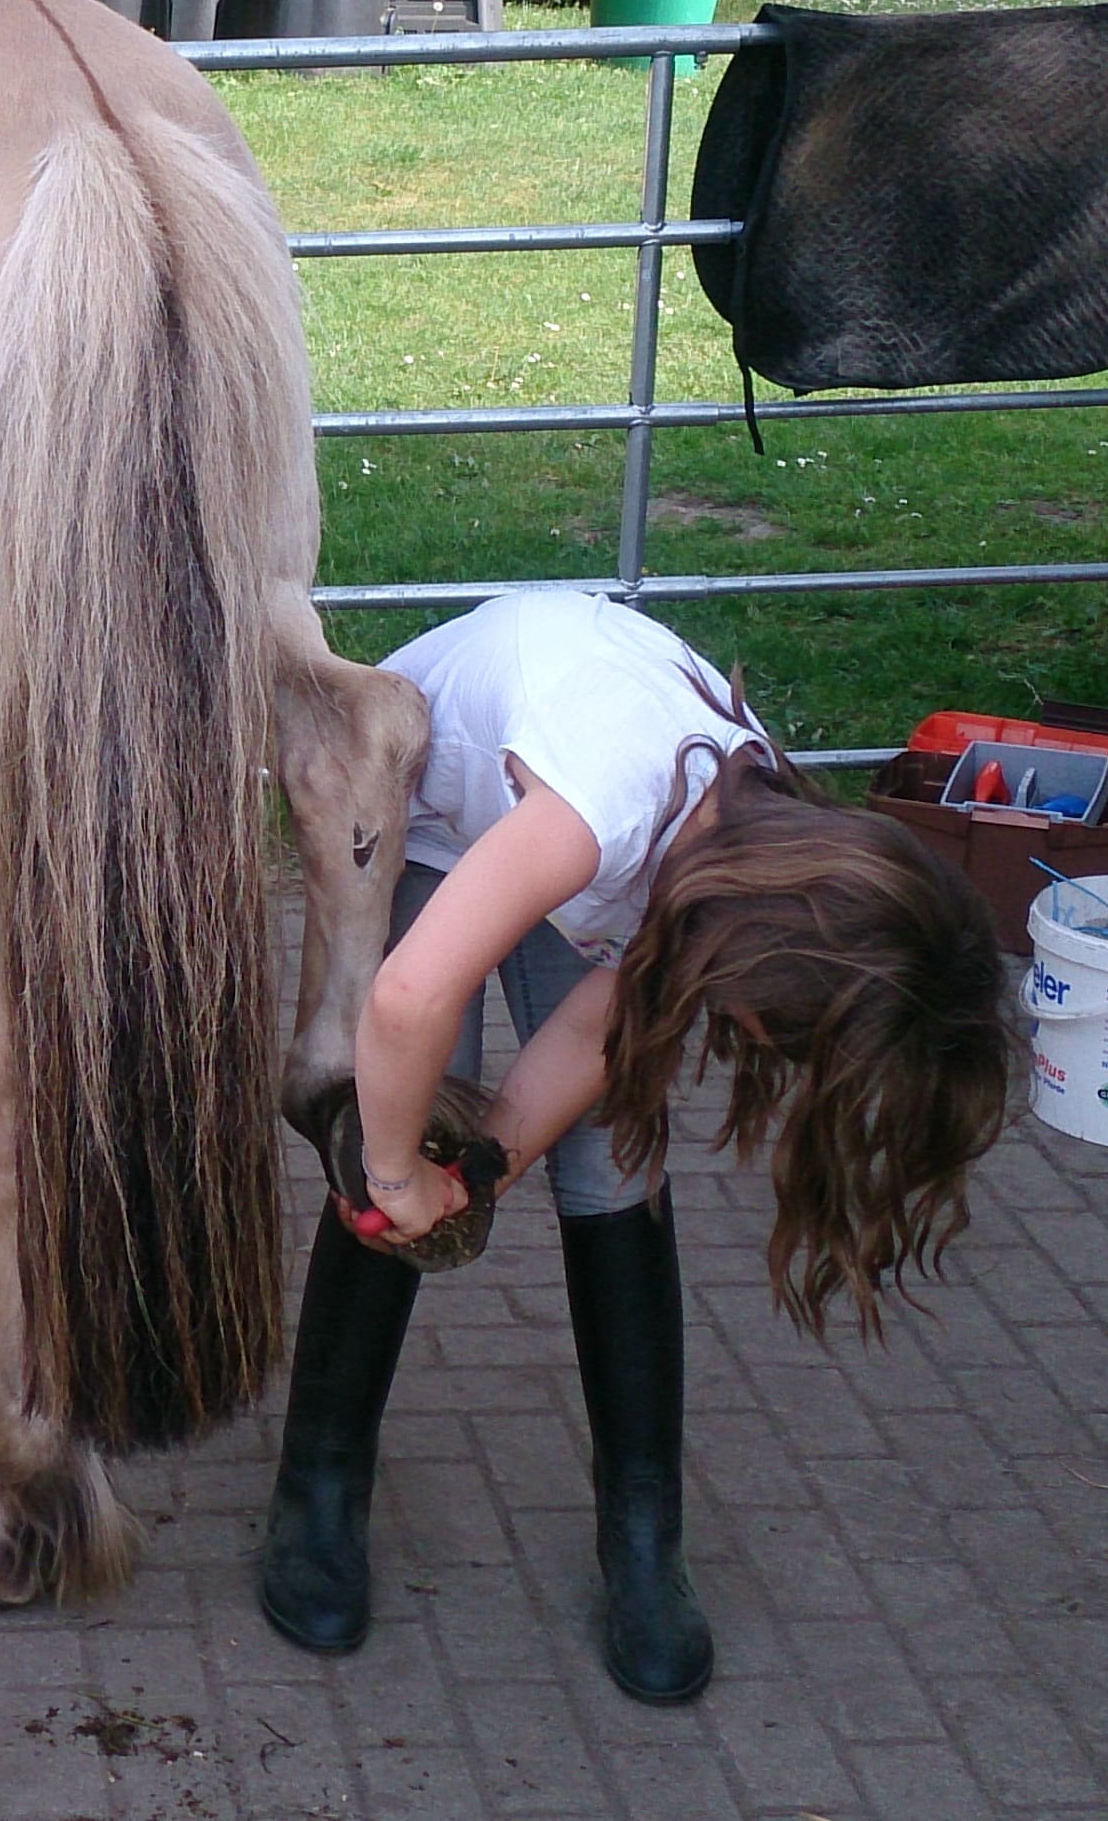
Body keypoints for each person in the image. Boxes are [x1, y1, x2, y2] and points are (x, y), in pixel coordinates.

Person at [259, 590, 1013, 1703]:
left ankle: (643, 1534)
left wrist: (480, 1170)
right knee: (401, 1113)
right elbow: (408, 1000)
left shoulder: (745, 836)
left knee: (611, 1156)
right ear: (756, 951)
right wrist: (391, 1173)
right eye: (776, 1033)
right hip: (419, 810)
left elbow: (596, 1025)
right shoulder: (615, 799)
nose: (761, 1050)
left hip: (569, 843)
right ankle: (316, 1489)